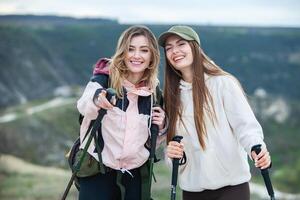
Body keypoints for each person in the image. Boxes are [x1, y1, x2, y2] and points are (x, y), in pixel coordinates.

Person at [158, 25, 272, 200]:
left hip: (232, 187)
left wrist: (256, 148)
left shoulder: (223, 83)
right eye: (169, 48)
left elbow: (246, 127)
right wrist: (172, 154)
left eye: (181, 44)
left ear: (194, 47)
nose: (175, 51)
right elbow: (173, 149)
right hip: (193, 190)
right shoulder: (172, 96)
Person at [76, 25, 166, 200]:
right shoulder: (104, 79)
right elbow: (83, 104)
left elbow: (154, 141)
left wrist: (163, 124)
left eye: (144, 50)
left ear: (152, 56)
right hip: (98, 170)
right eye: (130, 49)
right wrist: (96, 99)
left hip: (135, 174)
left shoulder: (154, 92)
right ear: (122, 53)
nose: (136, 55)